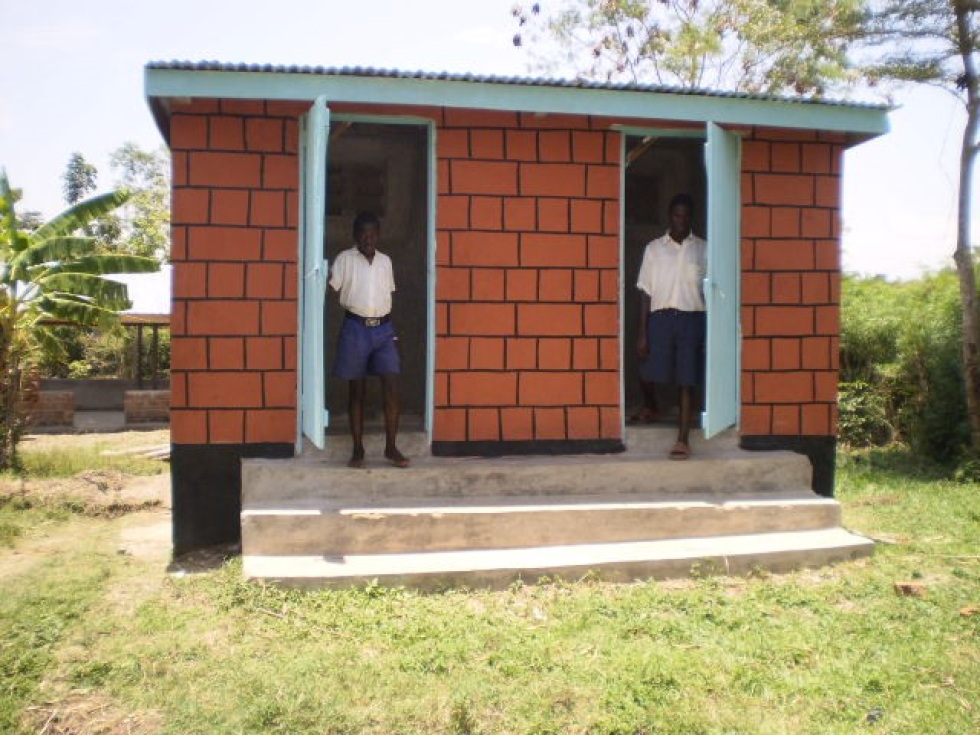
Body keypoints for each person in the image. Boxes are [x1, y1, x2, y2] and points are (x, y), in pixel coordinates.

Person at [328, 211, 409, 469]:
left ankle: (391, 447)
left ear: (379, 236)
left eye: (373, 234)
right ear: (355, 236)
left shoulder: (386, 262)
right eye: (363, 234)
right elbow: (330, 287)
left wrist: (391, 331)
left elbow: (388, 296)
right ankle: (358, 449)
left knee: (392, 385)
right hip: (356, 327)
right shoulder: (345, 259)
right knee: (357, 391)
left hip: (384, 329)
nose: (368, 238)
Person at [635, 193, 707, 460]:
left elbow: (710, 289)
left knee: (686, 379)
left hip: (692, 319)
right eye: (677, 215)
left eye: (686, 215)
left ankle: (683, 439)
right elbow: (645, 291)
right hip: (660, 318)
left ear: (691, 218)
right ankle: (651, 405)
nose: (681, 220)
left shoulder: (703, 249)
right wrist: (642, 333)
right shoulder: (654, 249)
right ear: (670, 216)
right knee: (645, 366)